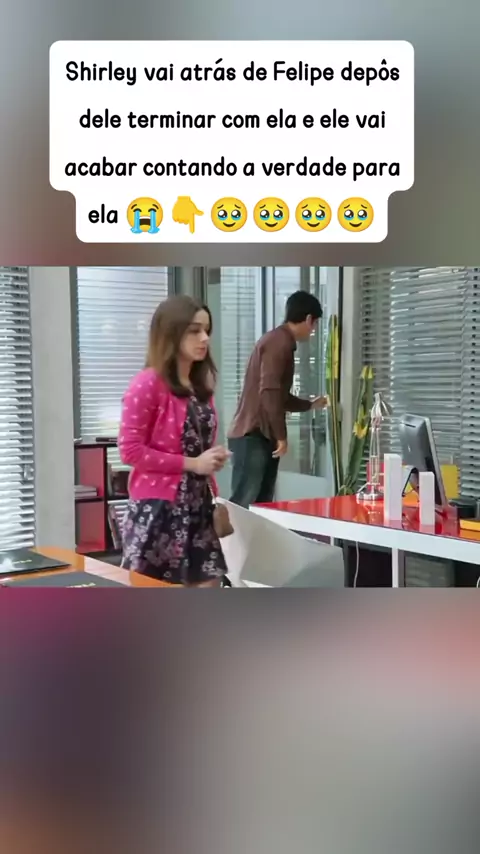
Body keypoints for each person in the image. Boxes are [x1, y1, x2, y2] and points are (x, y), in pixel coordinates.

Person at [119, 295, 230, 587]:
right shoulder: (147, 383)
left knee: (210, 585)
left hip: (198, 506)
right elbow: (130, 451)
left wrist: (211, 460)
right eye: (194, 330)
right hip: (159, 509)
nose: (204, 338)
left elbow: (196, 446)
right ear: (171, 333)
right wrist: (193, 463)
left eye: (207, 330)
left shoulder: (199, 386)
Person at [228, 290, 327, 507]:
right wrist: (281, 436)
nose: (313, 330)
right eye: (315, 324)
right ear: (308, 319)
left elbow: (279, 396)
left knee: (261, 506)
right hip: (253, 435)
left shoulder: (279, 341)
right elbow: (270, 393)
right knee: (244, 505)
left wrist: (310, 405)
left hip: (260, 435)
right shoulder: (279, 343)